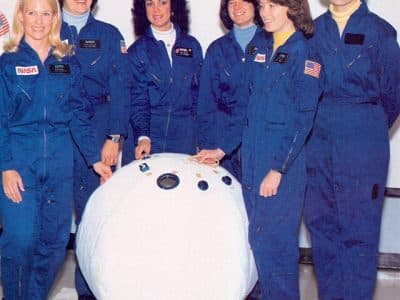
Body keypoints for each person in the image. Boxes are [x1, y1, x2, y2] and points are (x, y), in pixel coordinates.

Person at [0, 0, 112, 298]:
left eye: (46, 13)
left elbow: (77, 114)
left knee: (54, 242)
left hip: (61, 165)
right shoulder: (8, 62)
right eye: (32, 12)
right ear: (21, 16)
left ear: (55, 18)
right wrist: (6, 166)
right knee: (20, 240)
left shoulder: (67, 60)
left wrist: (94, 159)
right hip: (21, 164)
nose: (39, 20)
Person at [304, 0, 400, 299]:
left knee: (359, 232)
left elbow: (393, 94)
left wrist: (363, 126)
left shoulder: (380, 32)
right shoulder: (313, 31)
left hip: (362, 138)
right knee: (323, 228)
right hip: (318, 139)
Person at [241, 0, 322, 298]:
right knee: (258, 243)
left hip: (280, 168)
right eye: (262, 5)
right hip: (250, 160)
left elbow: (302, 119)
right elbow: (245, 107)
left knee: (275, 249)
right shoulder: (259, 48)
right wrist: (221, 149)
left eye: (274, 6)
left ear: (294, 9)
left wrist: (278, 169)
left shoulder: (305, 54)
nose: (265, 12)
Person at [58, 0, 130, 298]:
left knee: (93, 221)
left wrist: (114, 137)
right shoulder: (44, 25)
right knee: (50, 222)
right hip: (55, 133)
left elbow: (120, 87)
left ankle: (87, 292)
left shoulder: (109, 34)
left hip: (99, 132)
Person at [121, 0, 203, 165]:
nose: (156, 9)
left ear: (173, 7)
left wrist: (201, 138)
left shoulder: (192, 46)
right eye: (150, 4)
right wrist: (143, 137)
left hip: (184, 136)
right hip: (149, 136)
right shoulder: (137, 51)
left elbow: (199, 96)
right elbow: (138, 100)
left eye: (163, 2)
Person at [195, 0, 265, 182]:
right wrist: (207, 146)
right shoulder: (217, 49)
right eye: (232, 2)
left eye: (244, 1)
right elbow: (206, 104)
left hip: (260, 140)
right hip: (223, 146)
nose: (237, 7)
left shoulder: (272, 43)